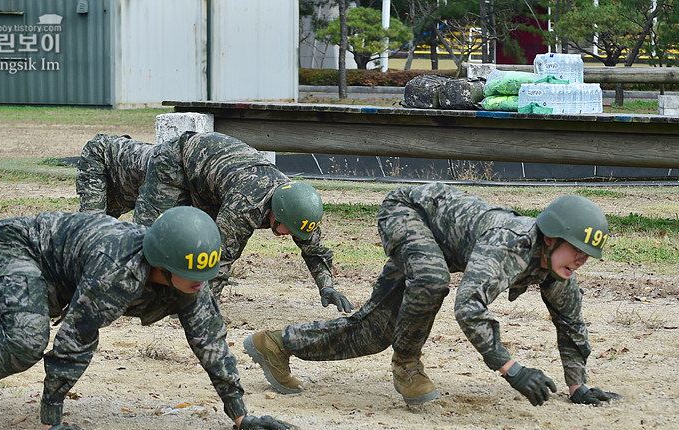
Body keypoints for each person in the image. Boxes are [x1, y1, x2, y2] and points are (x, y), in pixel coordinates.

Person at [0, 207, 295, 430]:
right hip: (23, 249)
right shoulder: (117, 271)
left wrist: (240, 414)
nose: (200, 286)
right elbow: (76, 339)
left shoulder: (190, 276)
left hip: (61, 279)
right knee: (25, 339)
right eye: (192, 278)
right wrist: (51, 419)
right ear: (161, 266)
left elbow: (210, 343)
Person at [244, 183, 619, 407]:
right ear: (551, 238)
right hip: (406, 211)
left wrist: (578, 384)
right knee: (433, 279)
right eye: (577, 250)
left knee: (375, 331)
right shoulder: (510, 245)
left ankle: (275, 344)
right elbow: (469, 307)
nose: (581, 261)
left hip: (434, 244)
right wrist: (511, 368)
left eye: (587, 255)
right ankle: (407, 365)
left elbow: (570, 322)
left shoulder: (557, 266)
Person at [132, 131, 352, 311]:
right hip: (178, 160)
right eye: (290, 230)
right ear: (278, 214)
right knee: (155, 231)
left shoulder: (299, 206)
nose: (292, 236)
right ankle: (130, 286)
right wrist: (203, 310)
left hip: (215, 185)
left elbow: (314, 251)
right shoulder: (247, 204)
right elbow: (220, 257)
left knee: (198, 234)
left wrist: (327, 287)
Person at [75, 133, 155, 218]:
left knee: (109, 218)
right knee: (93, 221)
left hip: (123, 178)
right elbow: (145, 222)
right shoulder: (159, 170)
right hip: (98, 154)